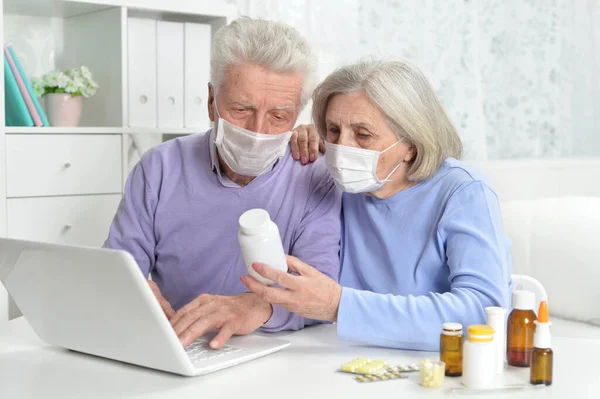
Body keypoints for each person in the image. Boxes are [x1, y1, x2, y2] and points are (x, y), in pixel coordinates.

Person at [104, 18, 341, 349]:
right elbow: (117, 268)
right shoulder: (159, 167)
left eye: (278, 116)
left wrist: (258, 307)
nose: (257, 131)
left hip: (277, 355)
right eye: (241, 108)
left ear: (298, 114)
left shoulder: (316, 178)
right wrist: (131, 290)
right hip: (179, 345)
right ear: (212, 100)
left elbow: (322, 295)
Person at [242, 59, 512, 351]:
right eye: (333, 130)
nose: (342, 147)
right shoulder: (335, 185)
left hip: (434, 368)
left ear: (411, 144)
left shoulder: (464, 192)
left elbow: (483, 313)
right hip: (344, 358)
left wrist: (337, 305)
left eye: (362, 135)